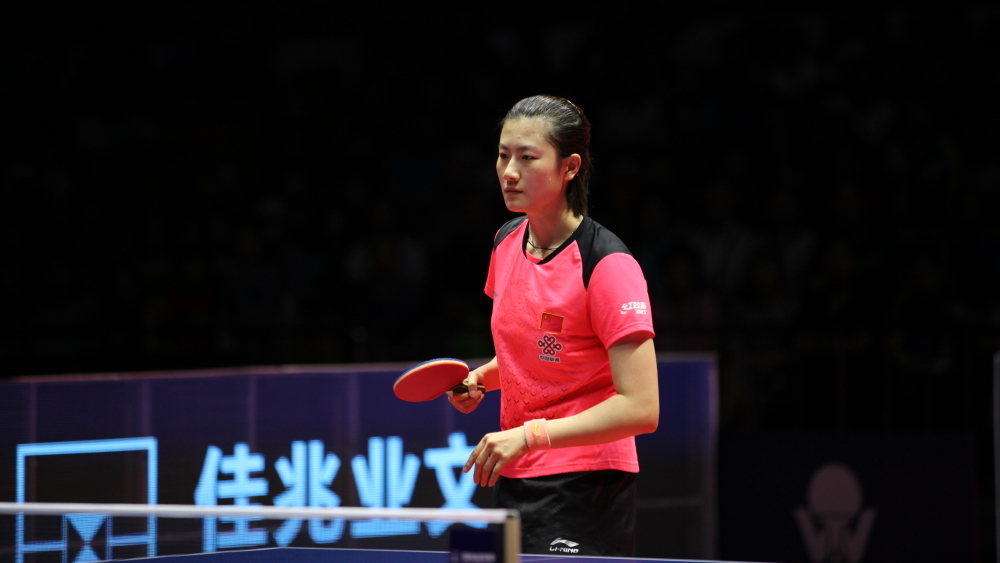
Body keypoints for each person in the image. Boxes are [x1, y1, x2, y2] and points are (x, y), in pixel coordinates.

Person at [447, 94, 659, 556]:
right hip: (517, 473)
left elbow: (642, 407)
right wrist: (480, 379)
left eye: (527, 157)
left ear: (569, 167)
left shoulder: (607, 264)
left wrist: (530, 435)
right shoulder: (506, 242)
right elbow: (536, 355)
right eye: (503, 155)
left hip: (589, 481)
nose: (509, 171)